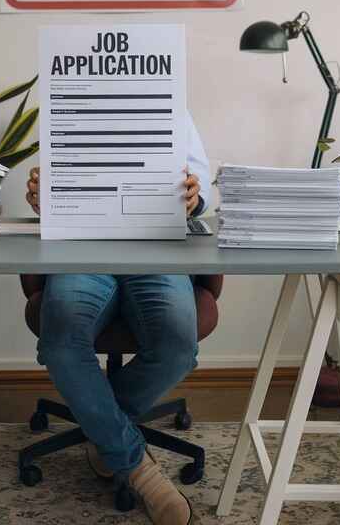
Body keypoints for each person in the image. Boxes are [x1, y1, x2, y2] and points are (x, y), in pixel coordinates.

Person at [25, 113, 211, 525]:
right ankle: (138, 469)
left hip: (157, 250)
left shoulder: (172, 109)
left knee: (178, 345)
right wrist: (43, 197)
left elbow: (202, 187)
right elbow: (55, 190)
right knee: (60, 340)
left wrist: (195, 197)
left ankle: (103, 427)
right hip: (81, 250)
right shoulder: (68, 107)